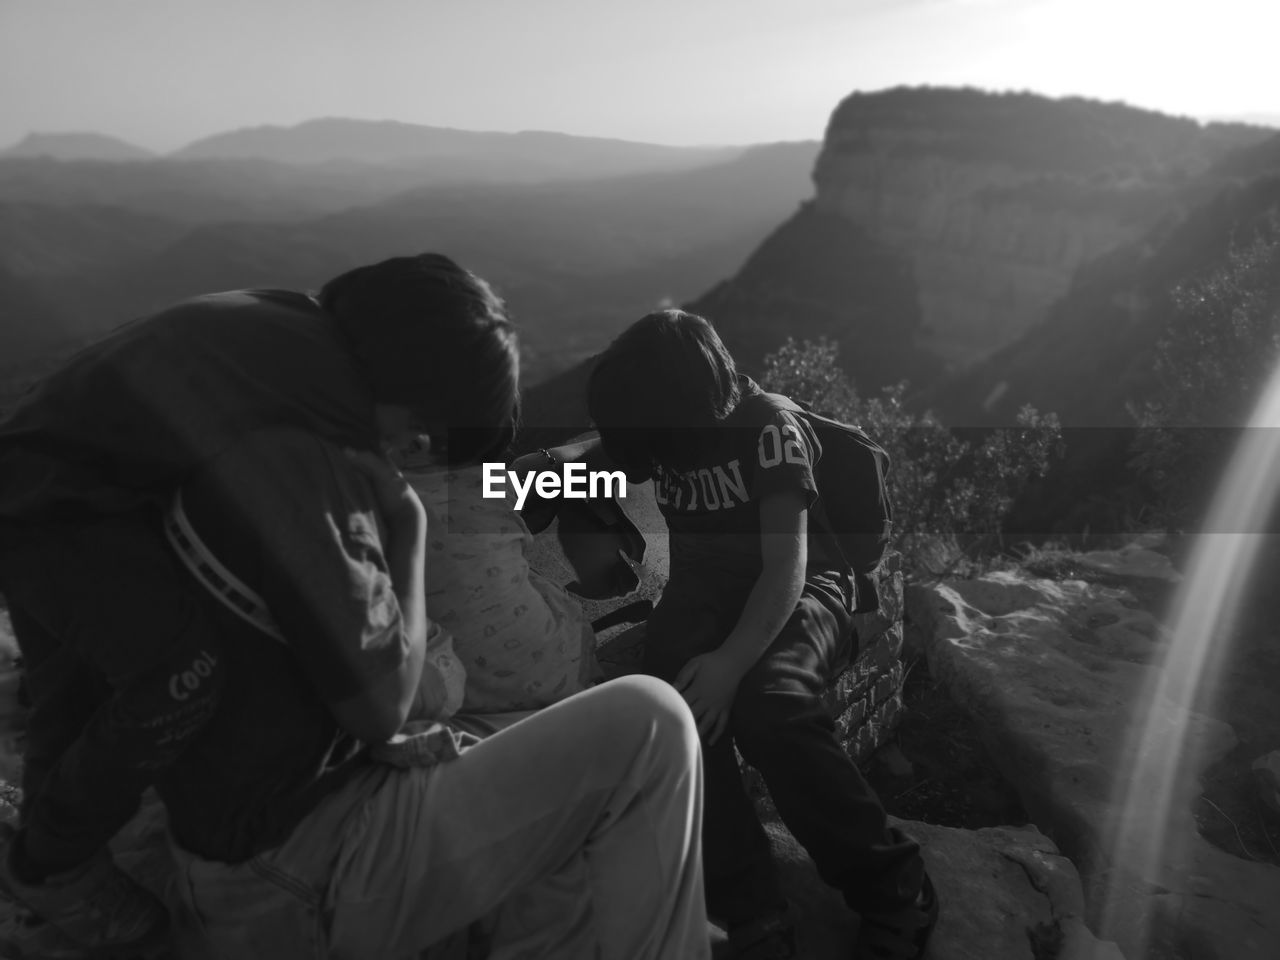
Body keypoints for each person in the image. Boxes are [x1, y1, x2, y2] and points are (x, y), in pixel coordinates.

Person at [0, 255, 709, 959]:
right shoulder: (311, 464)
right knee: (652, 721)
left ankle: (50, 854)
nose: (409, 456)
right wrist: (406, 526)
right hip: (299, 869)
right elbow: (385, 707)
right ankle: (52, 861)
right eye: (420, 440)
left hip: (40, 487)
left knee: (80, 691)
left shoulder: (277, 349)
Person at [530, 310, 938, 960]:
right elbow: (600, 455)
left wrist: (730, 662)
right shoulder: (669, 426)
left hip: (811, 589)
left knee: (770, 704)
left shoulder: (768, 429)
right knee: (672, 702)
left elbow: (788, 565)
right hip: (705, 592)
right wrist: (542, 466)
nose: (657, 463)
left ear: (689, 410)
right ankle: (746, 899)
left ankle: (896, 887)